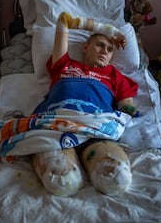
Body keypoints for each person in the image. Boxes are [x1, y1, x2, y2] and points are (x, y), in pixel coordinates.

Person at [32, 12, 138, 197]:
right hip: (56, 124)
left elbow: (127, 108)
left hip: (96, 128)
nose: (105, 51)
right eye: (99, 45)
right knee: (61, 181)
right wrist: (109, 30)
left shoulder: (115, 76)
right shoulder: (64, 64)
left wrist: (128, 114)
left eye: (110, 49)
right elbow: (63, 20)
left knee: (116, 177)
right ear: (86, 47)